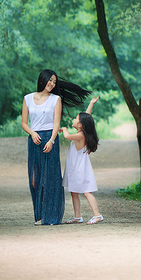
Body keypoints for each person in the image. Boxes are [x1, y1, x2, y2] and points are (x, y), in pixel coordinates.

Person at [21, 69, 91, 225]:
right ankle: (39, 215)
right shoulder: (28, 98)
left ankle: (50, 216)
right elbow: (24, 123)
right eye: (50, 80)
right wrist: (32, 133)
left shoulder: (56, 99)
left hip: (50, 139)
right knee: (34, 180)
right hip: (34, 139)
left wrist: (52, 140)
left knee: (50, 178)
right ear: (43, 79)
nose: (52, 84)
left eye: (54, 82)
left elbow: (56, 123)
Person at [60, 95, 104, 224]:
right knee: (74, 192)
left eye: (75, 118)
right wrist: (91, 104)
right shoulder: (82, 132)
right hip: (75, 168)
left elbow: (67, 136)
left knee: (86, 192)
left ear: (80, 125)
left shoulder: (80, 135)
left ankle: (97, 215)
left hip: (80, 169)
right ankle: (77, 216)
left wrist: (64, 129)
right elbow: (87, 116)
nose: (73, 119)